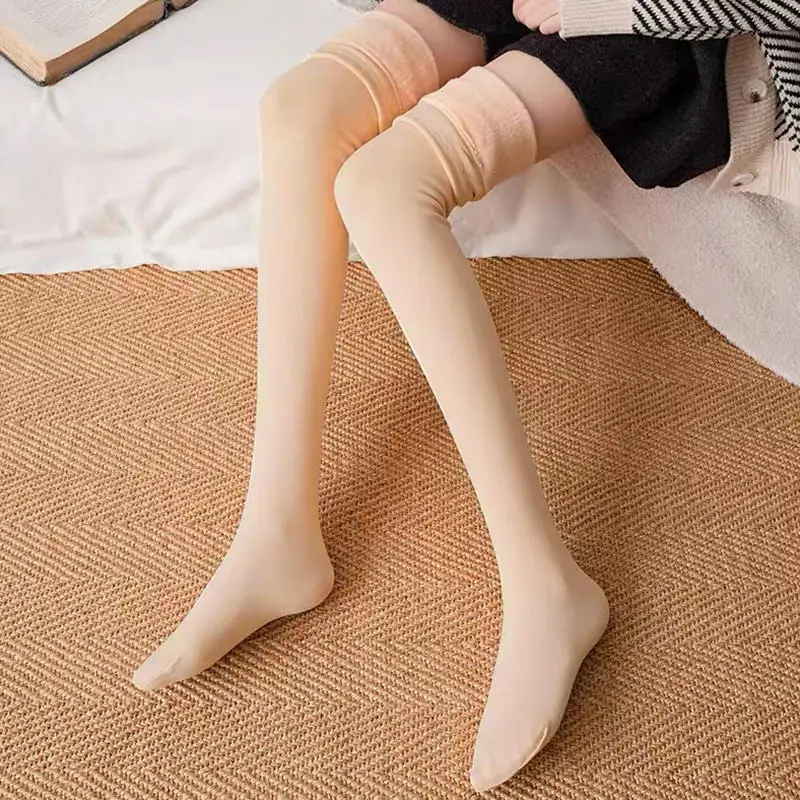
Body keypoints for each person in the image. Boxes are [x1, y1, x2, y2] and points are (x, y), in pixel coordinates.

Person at [131, 0, 799, 792]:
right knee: (298, 110)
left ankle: (547, 586)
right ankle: (277, 529)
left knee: (385, 187)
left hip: (645, 21)